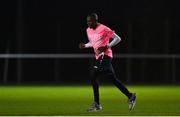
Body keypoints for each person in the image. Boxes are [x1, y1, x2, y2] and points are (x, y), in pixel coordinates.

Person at [79, 13, 136, 112]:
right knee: (113, 79)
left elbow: (118, 38)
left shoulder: (104, 28)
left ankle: (97, 104)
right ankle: (131, 96)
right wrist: (85, 45)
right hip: (99, 57)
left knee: (93, 76)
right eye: (87, 21)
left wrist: (106, 47)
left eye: (90, 21)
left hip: (105, 56)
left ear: (96, 20)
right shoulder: (88, 30)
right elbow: (93, 42)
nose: (88, 23)